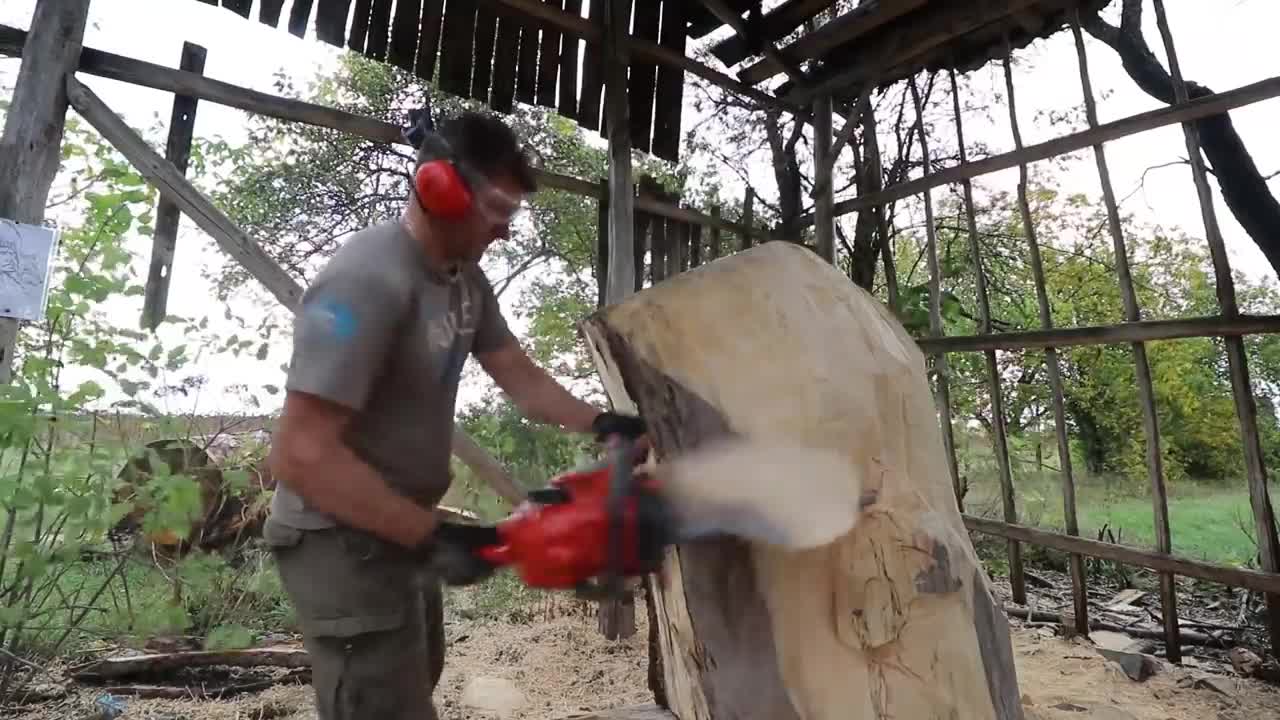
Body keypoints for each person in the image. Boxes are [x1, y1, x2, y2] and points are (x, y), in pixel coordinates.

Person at [262, 110, 647, 720]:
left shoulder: (465, 282)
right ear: (441, 188)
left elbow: (520, 377)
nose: (504, 231)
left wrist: (602, 422)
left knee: (417, 680)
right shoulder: (367, 278)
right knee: (381, 705)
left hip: (399, 527)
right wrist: (431, 534)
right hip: (339, 539)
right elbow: (300, 454)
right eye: (496, 209)